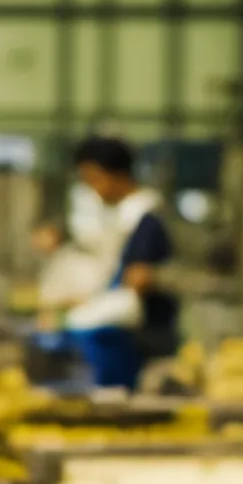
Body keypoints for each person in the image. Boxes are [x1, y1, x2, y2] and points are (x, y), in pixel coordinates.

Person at [43, 135, 178, 390]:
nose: (92, 189)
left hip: (142, 340)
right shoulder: (125, 218)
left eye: (93, 179)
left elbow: (140, 280)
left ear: (117, 175)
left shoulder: (148, 219)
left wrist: (89, 311)